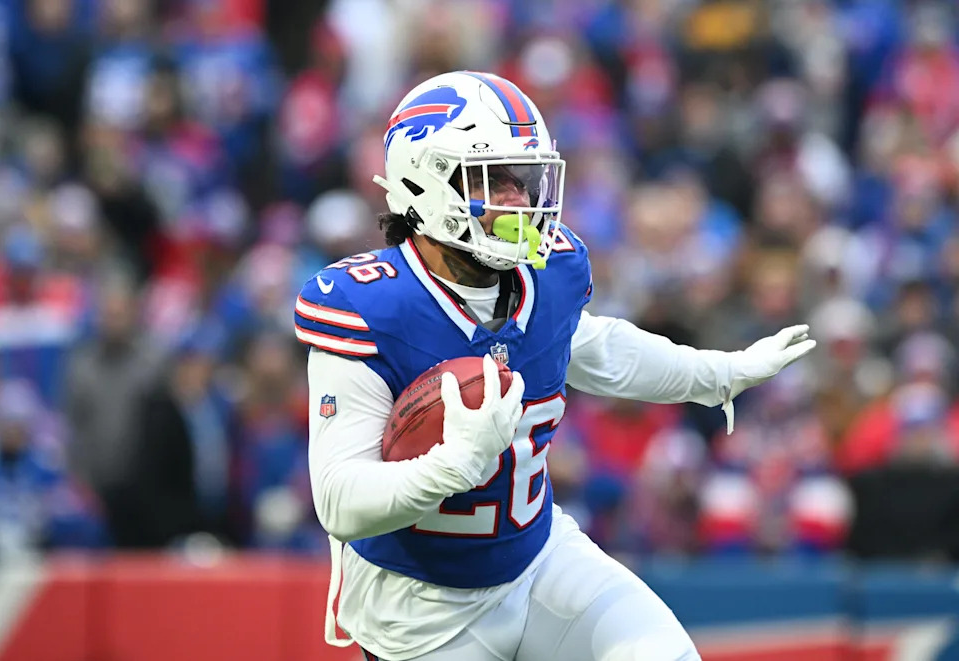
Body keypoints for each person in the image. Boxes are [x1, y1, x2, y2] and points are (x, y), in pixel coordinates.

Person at [295, 71, 816, 661]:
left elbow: (595, 348)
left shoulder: (547, 275)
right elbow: (340, 502)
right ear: (427, 184)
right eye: (494, 180)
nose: (519, 200)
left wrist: (718, 374)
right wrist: (453, 464)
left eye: (522, 179)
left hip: (537, 558)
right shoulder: (371, 306)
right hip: (421, 611)